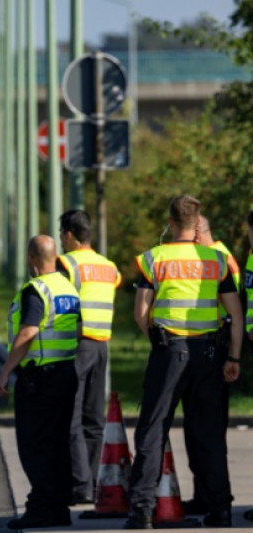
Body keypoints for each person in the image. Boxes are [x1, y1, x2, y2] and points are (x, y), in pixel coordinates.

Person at [124, 195, 242, 529]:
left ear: (171, 222)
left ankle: (142, 512)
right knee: (209, 434)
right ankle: (220, 510)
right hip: (209, 354)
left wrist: (158, 340)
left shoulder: (155, 258)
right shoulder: (216, 260)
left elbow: (141, 312)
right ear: (197, 223)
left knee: (153, 430)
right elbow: (235, 314)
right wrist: (233, 357)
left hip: (169, 351)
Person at [0, 235, 80, 530]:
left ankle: (41, 507)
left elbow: (28, 332)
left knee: (36, 445)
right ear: (55, 257)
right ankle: (58, 508)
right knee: (58, 443)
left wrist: (6, 371)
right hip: (65, 372)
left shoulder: (37, 290)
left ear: (31, 259)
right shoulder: (67, 287)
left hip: (41, 378)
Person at [56, 210, 122, 505]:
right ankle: (93, 483)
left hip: (78, 345)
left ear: (69, 235)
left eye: (61, 234)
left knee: (71, 418)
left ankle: (80, 485)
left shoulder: (66, 264)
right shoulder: (109, 267)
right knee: (94, 419)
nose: (61, 240)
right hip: (101, 347)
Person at [182, 216, 240, 516]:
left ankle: (216, 498)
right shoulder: (211, 256)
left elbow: (232, 310)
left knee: (208, 429)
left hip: (214, 346)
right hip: (206, 346)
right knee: (195, 428)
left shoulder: (219, 258)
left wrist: (232, 356)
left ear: (196, 233)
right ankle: (203, 495)